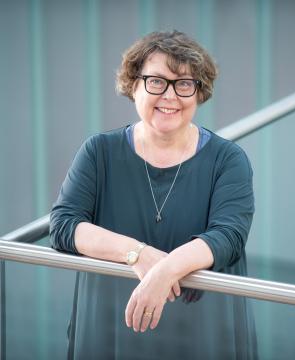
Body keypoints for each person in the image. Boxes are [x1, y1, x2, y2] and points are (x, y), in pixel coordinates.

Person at [50, 30, 257, 359]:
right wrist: (137, 253)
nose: (170, 96)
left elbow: (228, 237)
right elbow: (64, 225)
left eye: (184, 84)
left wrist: (165, 271)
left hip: (202, 334)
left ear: (199, 93)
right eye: (156, 81)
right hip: (113, 327)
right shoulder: (98, 152)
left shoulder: (228, 159)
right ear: (133, 85)